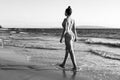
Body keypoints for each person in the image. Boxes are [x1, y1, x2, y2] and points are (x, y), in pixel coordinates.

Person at [59, 6, 77, 70]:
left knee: (71, 51)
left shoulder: (66, 20)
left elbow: (65, 29)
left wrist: (61, 38)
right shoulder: (73, 20)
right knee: (67, 50)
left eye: (65, 12)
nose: (64, 12)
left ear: (67, 12)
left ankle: (75, 66)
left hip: (67, 35)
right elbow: (74, 29)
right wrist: (76, 37)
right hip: (72, 35)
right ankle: (63, 63)